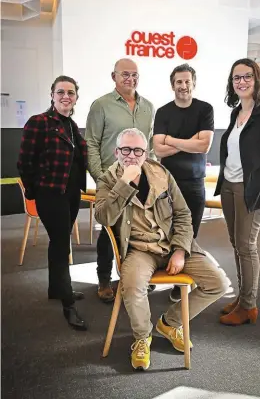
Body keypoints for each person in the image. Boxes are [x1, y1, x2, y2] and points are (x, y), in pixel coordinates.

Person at [94, 128, 228, 371]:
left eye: (137, 150)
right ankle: (142, 337)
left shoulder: (161, 173)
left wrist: (179, 250)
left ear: (146, 154)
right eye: (125, 150)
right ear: (116, 152)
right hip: (139, 250)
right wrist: (124, 183)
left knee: (218, 283)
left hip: (171, 244)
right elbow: (103, 216)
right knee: (132, 286)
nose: (131, 156)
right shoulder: (107, 180)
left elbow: (183, 214)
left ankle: (170, 322)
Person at [214, 58, 260, 326]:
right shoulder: (236, 113)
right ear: (231, 83)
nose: (241, 82)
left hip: (252, 190)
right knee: (236, 244)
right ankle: (243, 297)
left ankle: (249, 305)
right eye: (236, 78)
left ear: (256, 80)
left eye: (247, 76)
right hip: (229, 186)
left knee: (247, 246)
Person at [17, 75, 88, 331]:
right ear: (52, 95)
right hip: (51, 194)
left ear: (76, 98)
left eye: (71, 92)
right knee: (60, 245)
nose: (66, 96)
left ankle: (55, 289)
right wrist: (33, 192)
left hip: (70, 194)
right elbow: (25, 162)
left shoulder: (71, 125)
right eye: (61, 92)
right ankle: (68, 303)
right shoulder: (39, 122)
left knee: (60, 241)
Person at [85, 58, 155, 302]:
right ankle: (104, 279)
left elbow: (151, 145)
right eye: (125, 74)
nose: (130, 79)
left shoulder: (148, 107)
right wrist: (101, 177)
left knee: (139, 228)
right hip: (112, 178)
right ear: (113, 76)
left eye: (135, 75)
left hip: (141, 179)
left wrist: (152, 175)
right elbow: (91, 143)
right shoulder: (101, 105)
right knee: (108, 231)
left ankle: (137, 276)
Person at [153, 63, 214, 303]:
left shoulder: (205, 109)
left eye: (187, 81)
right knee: (165, 231)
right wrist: (189, 141)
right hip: (166, 183)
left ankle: (181, 284)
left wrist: (171, 140)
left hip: (194, 182)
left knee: (190, 234)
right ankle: (163, 273)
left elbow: (204, 145)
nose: (183, 85)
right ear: (172, 85)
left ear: (193, 83)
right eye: (179, 81)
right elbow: (159, 149)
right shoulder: (163, 112)